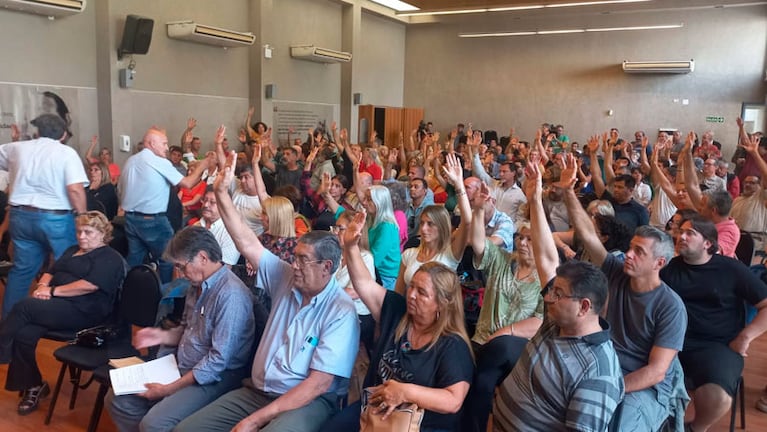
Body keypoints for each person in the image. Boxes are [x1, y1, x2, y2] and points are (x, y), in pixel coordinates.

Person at [174, 150, 359, 432]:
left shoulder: (340, 310)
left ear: (327, 266)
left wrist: (257, 419)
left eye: (302, 260)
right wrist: (223, 194)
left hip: (306, 401)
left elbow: (318, 384)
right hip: (258, 392)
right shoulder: (286, 276)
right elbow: (247, 243)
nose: (293, 265)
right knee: (185, 430)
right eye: (294, 257)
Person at [493, 156, 624, 431]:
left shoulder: (597, 372)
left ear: (584, 306)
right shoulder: (559, 320)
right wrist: (535, 200)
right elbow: (546, 258)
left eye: (558, 294)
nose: (548, 297)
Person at [561, 152, 688, 431]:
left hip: (644, 385)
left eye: (638, 252)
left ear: (659, 263)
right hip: (605, 367)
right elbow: (590, 237)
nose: (628, 255)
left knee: (620, 424)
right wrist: (568, 192)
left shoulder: (670, 306)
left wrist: (611, 388)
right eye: (630, 247)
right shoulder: (617, 271)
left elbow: (656, 371)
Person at [323, 211, 474, 432]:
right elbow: (364, 283)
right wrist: (351, 247)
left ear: (442, 304)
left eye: (422, 293)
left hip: (415, 423)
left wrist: (405, 392)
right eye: (412, 286)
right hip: (375, 410)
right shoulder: (398, 311)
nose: (411, 294)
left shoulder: (452, 345)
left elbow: (453, 401)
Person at [107, 226, 255, 432]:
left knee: (154, 423)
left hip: (217, 377)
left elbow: (217, 361)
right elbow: (187, 329)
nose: (181, 274)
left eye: (182, 266)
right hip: (183, 363)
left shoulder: (231, 296)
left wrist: (167, 390)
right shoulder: (196, 286)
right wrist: (161, 335)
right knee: (118, 398)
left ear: (202, 257)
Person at [0, 212, 125, 415]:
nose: (82, 236)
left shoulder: (110, 258)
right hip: (58, 306)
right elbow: (51, 270)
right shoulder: (73, 250)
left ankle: (1, 351)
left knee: (25, 306)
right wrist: (42, 285)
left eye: (88, 232)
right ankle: (34, 386)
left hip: (85, 312)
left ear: (103, 234)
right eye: (79, 232)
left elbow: (89, 286)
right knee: (24, 334)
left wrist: (50, 291)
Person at [660, 216, 767, 432]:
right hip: (672, 341)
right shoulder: (671, 268)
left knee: (716, 395)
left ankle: (695, 428)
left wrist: (745, 337)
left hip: (717, 345)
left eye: (690, 233)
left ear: (708, 243)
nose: (681, 236)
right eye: (680, 231)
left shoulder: (731, 269)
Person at [0, 113, 88, 317]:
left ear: (37, 132)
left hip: (20, 216)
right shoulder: (66, 153)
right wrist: (82, 216)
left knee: (22, 270)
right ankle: (58, 316)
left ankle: (10, 323)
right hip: (55, 218)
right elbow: (75, 189)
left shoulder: (18, 148)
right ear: (64, 134)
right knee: (64, 266)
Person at [119, 126, 216, 283]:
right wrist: (204, 165)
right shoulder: (158, 161)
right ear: (151, 143)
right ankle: (165, 299)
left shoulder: (130, 161)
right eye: (163, 143)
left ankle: (128, 292)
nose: (166, 148)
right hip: (152, 221)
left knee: (135, 259)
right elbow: (187, 183)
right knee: (169, 259)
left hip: (130, 218)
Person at [395, 153, 470, 293]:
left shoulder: (449, 254)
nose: (423, 229)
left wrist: (459, 184)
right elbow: (398, 295)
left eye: (430, 224)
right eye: (422, 223)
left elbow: (467, 222)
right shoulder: (409, 254)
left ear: (441, 227)